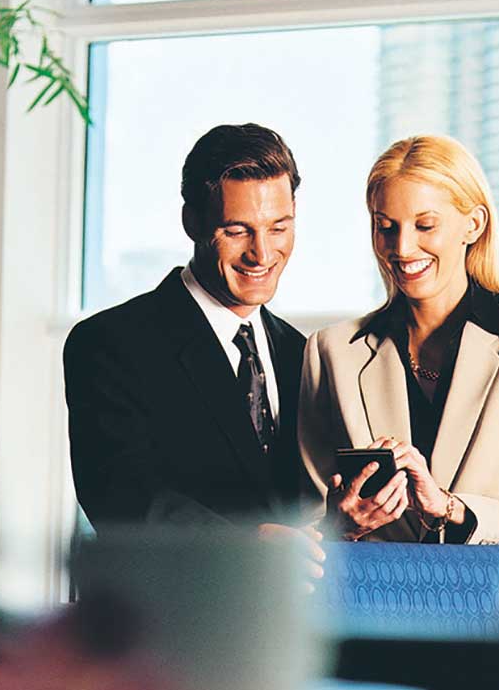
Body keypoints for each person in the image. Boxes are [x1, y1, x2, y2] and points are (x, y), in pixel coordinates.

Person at [299, 135, 499, 544]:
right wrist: (341, 525)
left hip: (493, 602)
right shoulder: (332, 352)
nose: (401, 248)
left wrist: (450, 507)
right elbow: (307, 521)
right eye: (386, 227)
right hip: (367, 601)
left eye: (425, 225)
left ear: (474, 224)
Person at [64, 124, 322, 569]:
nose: (262, 254)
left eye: (278, 227)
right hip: (167, 625)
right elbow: (123, 501)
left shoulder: (302, 354)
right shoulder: (109, 344)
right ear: (193, 221)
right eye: (237, 231)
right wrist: (246, 543)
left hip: (289, 624)